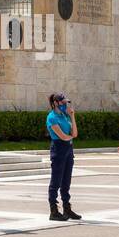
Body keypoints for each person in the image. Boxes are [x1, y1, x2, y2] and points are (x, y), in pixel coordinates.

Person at [46, 92, 80, 221]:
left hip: (68, 149)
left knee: (66, 181)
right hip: (58, 148)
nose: (65, 104)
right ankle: (53, 210)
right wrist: (70, 137)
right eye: (63, 102)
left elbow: (74, 133)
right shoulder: (52, 117)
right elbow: (63, 136)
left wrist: (72, 116)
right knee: (56, 181)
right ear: (56, 103)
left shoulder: (65, 116)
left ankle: (67, 208)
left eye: (66, 102)